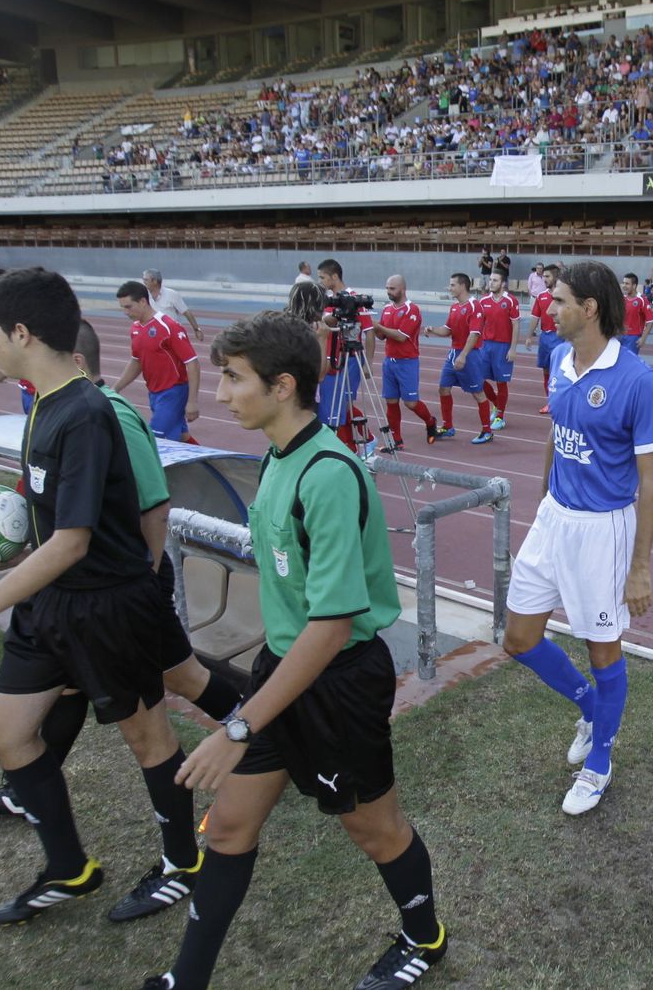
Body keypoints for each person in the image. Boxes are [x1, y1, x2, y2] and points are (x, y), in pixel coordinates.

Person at [138, 310, 447, 990]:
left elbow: (333, 626)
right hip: (284, 671)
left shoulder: (328, 474)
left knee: (376, 831)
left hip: (338, 681)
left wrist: (239, 725)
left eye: (233, 379)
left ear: (282, 386)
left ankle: (425, 937)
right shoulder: (279, 457)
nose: (219, 394)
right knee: (227, 830)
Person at [0, 268, 199, 926]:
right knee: (6, 735)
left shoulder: (90, 413)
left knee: (149, 739)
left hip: (108, 605)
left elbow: (72, 541)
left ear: (22, 333)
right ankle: (69, 868)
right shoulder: (41, 401)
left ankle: (184, 863)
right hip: (51, 604)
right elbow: (49, 522)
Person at [0, 324, 245, 922]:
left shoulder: (103, 412)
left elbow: (152, 503)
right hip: (60, 599)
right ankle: (49, 834)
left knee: (179, 683)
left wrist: (147, 576)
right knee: (26, 720)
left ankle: (258, 729)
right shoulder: (44, 407)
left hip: (117, 594)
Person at [500, 261, 653, 814]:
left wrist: (639, 566)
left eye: (558, 301)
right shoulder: (558, 359)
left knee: (602, 648)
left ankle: (600, 760)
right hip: (555, 518)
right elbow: (557, 428)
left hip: (605, 530)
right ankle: (591, 708)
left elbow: (651, 480)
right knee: (518, 636)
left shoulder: (637, 379)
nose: (547, 310)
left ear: (590, 308)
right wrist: (545, 494)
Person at [112, 281, 201, 443]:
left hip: (173, 392)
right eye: (122, 307)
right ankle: (211, 467)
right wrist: (116, 388)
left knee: (155, 440)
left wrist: (192, 401)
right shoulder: (135, 328)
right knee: (181, 437)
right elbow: (136, 361)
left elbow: (192, 362)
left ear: (143, 302)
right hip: (154, 393)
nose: (125, 312)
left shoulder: (169, 326)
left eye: (128, 307)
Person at [311, 258, 375, 451]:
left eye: (322, 277)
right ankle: (361, 442)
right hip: (332, 359)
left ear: (334, 276)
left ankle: (359, 443)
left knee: (339, 407)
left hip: (349, 360)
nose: (320, 281)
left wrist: (368, 364)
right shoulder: (330, 300)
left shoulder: (353, 299)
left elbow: (369, 332)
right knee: (340, 408)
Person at [423, 273, 494, 444]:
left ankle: (487, 431)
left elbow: (475, 334)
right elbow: (448, 330)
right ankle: (448, 427)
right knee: (443, 388)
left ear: (463, 286)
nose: (450, 288)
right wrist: (433, 329)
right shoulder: (455, 307)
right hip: (454, 353)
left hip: (470, 356)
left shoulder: (474, 306)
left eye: (452, 285)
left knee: (478, 393)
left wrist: (463, 356)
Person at [370, 274, 438, 450]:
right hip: (389, 362)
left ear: (402, 289)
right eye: (387, 288)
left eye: (392, 288)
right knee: (391, 401)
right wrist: (370, 327)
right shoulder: (387, 309)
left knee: (411, 403)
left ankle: (430, 422)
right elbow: (382, 336)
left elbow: (401, 336)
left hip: (407, 362)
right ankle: (396, 441)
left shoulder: (412, 310)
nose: (388, 292)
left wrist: (378, 326)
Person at [476, 269, 520, 429]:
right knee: (478, 380)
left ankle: (500, 417)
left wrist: (513, 348)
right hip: (486, 346)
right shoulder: (484, 300)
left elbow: (516, 324)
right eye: (490, 280)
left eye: (495, 280)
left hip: (503, 346)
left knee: (501, 382)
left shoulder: (510, 300)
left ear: (503, 283)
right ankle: (496, 403)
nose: (491, 283)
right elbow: (479, 324)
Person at [525, 280, 560, 415]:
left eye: (547, 276)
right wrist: (529, 336)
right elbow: (535, 317)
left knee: (558, 370)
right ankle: (550, 402)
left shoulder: (564, 295)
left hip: (560, 336)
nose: (544, 279)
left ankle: (559, 401)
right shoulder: (541, 296)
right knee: (546, 370)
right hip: (545, 337)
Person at [143, 269, 204, 343]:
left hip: (172, 334)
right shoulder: (144, 296)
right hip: (153, 334)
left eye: (146, 280)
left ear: (155, 281)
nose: (144, 282)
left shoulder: (172, 294)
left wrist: (197, 330)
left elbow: (186, 312)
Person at [620, 272, 653, 356]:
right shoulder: (622, 299)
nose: (624, 286)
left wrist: (643, 338)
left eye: (627, 283)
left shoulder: (642, 300)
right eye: (623, 283)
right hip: (620, 335)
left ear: (634, 285)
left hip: (633, 337)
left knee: (629, 362)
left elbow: (650, 320)